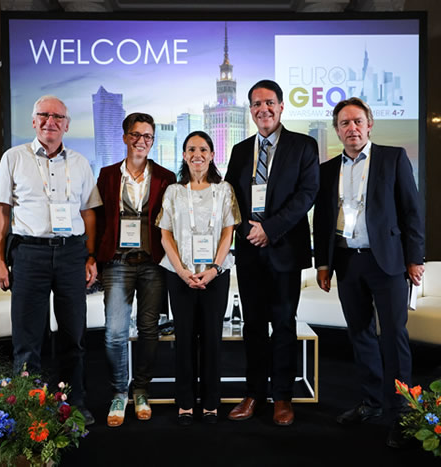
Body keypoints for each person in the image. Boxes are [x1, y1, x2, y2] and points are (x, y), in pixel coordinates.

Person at [312, 97, 425, 447]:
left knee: (393, 336)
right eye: (344, 123)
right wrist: (324, 262)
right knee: (360, 334)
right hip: (347, 261)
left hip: (387, 261)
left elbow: (412, 210)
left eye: (358, 121)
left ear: (370, 124)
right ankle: (372, 402)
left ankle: (403, 412)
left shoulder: (392, 158)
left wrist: (415, 258)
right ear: (337, 130)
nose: (352, 129)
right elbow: (323, 220)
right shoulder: (328, 169)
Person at [0, 95, 101, 426]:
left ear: (67, 124)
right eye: (44, 115)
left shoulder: (80, 163)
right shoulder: (14, 158)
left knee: (74, 336)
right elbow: (0, 211)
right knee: (27, 340)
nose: (50, 121)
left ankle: (73, 402)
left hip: (71, 254)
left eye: (58, 117)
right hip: (29, 254)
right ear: (33, 120)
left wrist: (90, 255)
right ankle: (27, 406)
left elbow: (89, 213)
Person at [225, 80, 319, 426]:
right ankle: (253, 393)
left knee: (282, 324)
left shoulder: (303, 146)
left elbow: (306, 195)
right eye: (256, 104)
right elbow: (230, 199)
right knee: (252, 326)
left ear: (281, 107)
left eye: (269, 103)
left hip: (284, 250)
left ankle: (282, 397)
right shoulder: (239, 150)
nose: (262, 109)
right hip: (249, 250)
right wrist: (246, 232)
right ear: (250, 111)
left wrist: (270, 228)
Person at [94, 113, 176, 427]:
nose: (142, 141)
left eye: (148, 136)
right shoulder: (107, 175)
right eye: (136, 135)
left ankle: (141, 389)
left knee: (148, 330)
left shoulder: (166, 177)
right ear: (126, 137)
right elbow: (98, 220)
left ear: (152, 141)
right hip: (117, 262)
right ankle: (118, 392)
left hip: (153, 263)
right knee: (115, 332)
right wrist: (93, 258)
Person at [157, 131, 240, 426]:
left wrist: (214, 269)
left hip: (215, 275)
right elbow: (165, 234)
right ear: (183, 155)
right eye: (191, 149)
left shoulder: (225, 190)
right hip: (180, 276)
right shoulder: (173, 191)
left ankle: (211, 401)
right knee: (185, 339)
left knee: (211, 339)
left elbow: (228, 232)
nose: (197, 154)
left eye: (203, 149)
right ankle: (184, 402)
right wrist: (181, 271)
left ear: (212, 155)